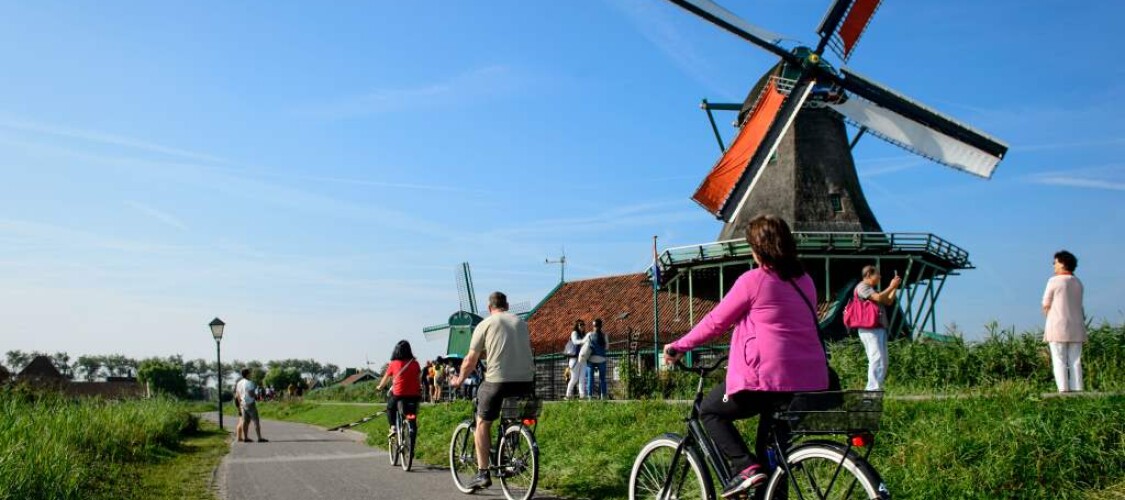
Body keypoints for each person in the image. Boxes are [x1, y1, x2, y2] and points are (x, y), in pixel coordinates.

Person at [663, 215, 828, 498]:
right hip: (809, 381)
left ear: (758, 250)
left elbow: (716, 322)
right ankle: (763, 479)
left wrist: (679, 346)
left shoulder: (754, 280)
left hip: (767, 379)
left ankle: (744, 468)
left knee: (710, 411)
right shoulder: (806, 282)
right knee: (773, 457)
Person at [450, 291, 536, 491]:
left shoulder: (485, 324)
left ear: (490, 308)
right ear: (507, 305)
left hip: (497, 381)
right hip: (525, 382)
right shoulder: (522, 324)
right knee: (511, 417)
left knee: (482, 422)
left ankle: (482, 473)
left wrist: (459, 379)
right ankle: (509, 447)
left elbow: (471, 360)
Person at [1042, 250, 1087, 393]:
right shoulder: (1078, 282)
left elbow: (1046, 303)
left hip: (1057, 325)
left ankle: (1063, 389)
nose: (1054, 266)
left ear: (1062, 263)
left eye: (1055, 263)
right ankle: (1077, 387)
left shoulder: (1054, 281)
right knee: (1075, 359)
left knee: (1059, 358)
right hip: (1077, 325)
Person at [854, 265, 902, 391]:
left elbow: (888, 301)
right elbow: (880, 298)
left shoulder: (872, 289)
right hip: (869, 328)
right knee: (876, 358)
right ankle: (872, 390)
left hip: (878, 327)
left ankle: (876, 387)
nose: (880, 276)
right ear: (869, 274)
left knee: (883, 360)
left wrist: (894, 287)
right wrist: (891, 286)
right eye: (877, 274)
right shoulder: (862, 287)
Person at [376, 340, 423, 434]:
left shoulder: (393, 363)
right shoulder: (415, 363)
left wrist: (379, 387)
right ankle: (412, 426)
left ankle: (393, 426)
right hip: (415, 395)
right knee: (411, 413)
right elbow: (418, 378)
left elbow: (386, 379)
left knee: (390, 407)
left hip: (399, 394)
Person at [235, 368, 267, 443]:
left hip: (243, 403)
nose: (251, 374)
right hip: (250, 403)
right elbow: (250, 393)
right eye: (250, 373)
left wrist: (240, 404)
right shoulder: (250, 383)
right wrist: (257, 397)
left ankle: (245, 437)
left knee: (245, 421)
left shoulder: (239, 383)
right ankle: (259, 437)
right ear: (247, 374)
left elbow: (238, 394)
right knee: (256, 420)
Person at [564, 319, 588, 399]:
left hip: (582, 358)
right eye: (580, 324)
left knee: (582, 378)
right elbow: (575, 341)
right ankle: (568, 395)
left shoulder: (583, 335)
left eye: (583, 324)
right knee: (574, 378)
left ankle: (582, 395)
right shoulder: (574, 333)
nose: (582, 326)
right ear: (577, 326)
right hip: (574, 359)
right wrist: (584, 341)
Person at [586, 318, 609, 399]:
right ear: (601, 326)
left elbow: (586, 347)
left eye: (594, 325)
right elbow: (607, 347)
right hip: (601, 359)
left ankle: (589, 396)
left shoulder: (589, 335)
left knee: (590, 378)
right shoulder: (604, 335)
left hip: (591, 359)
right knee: (602, 378)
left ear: (593, 326)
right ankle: (603, 396)